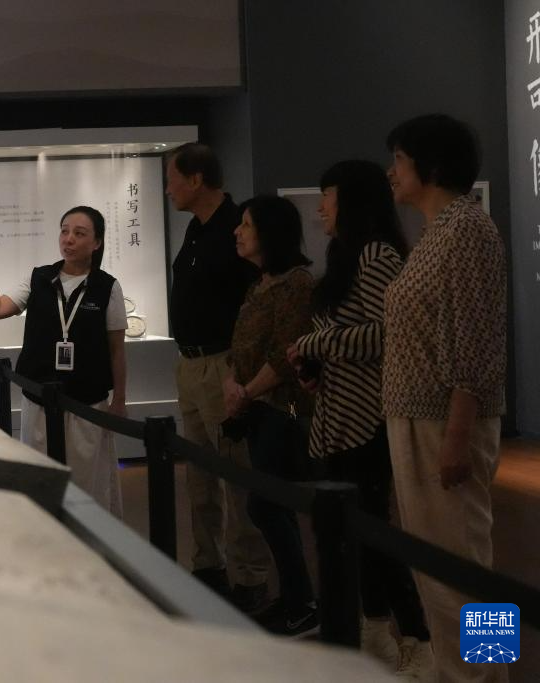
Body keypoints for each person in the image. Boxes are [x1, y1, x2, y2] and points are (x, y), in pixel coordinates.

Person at [286, 160, 432, 677]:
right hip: (353, 417)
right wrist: (319, 361)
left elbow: (389, 333)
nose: (321, 208)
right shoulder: (354, 254)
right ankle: (382, 638)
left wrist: (316, 344)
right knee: (367, 538)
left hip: (401, 421)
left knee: (446, 557)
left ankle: (448, 654)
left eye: (328, 195)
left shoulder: (384, 252)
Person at [382, 114, 508, 683]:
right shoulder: (440, 232)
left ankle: (481, 676)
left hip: (444, 423)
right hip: (420, 419)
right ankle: (469, 673)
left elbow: (476, 343)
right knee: (442, 567)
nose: (391, 172)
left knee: (462, 567)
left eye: (399, 159)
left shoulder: (467, 230)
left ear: (429, 166)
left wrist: (457, 436)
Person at [165, 143, 272, 612]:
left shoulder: (236, 228)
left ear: (196, 180)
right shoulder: (195, 229)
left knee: (236, 473)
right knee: (200, 475)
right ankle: (208, 566)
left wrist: (238, 371)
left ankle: (249, 577)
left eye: (172, 179)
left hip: (224, 364)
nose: (168, 189)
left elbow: (253, 306)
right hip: (190, 365)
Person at [0, 206, 127, 516]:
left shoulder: (107, 287)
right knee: (40, 482)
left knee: (87, 487)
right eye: (64, 231)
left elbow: (117, 350)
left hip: (87, 403)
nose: (69, 239)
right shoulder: (39, 277)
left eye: (79, 233)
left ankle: (86, 539)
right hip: (38, 399)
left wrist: (119, 399)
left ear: (97, 242)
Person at [221, 195, 317, 637]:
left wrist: (246, 392)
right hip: (258, 410)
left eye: (246, 224)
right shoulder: (259, 284)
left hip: (281, 409)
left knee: (265, 503)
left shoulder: (297, 284)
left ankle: (304, 602)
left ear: (270, 232)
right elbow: (241, 344)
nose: (237, 232)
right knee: (270, 504)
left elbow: (286, 353)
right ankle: (297, 599)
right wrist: (232, 383)